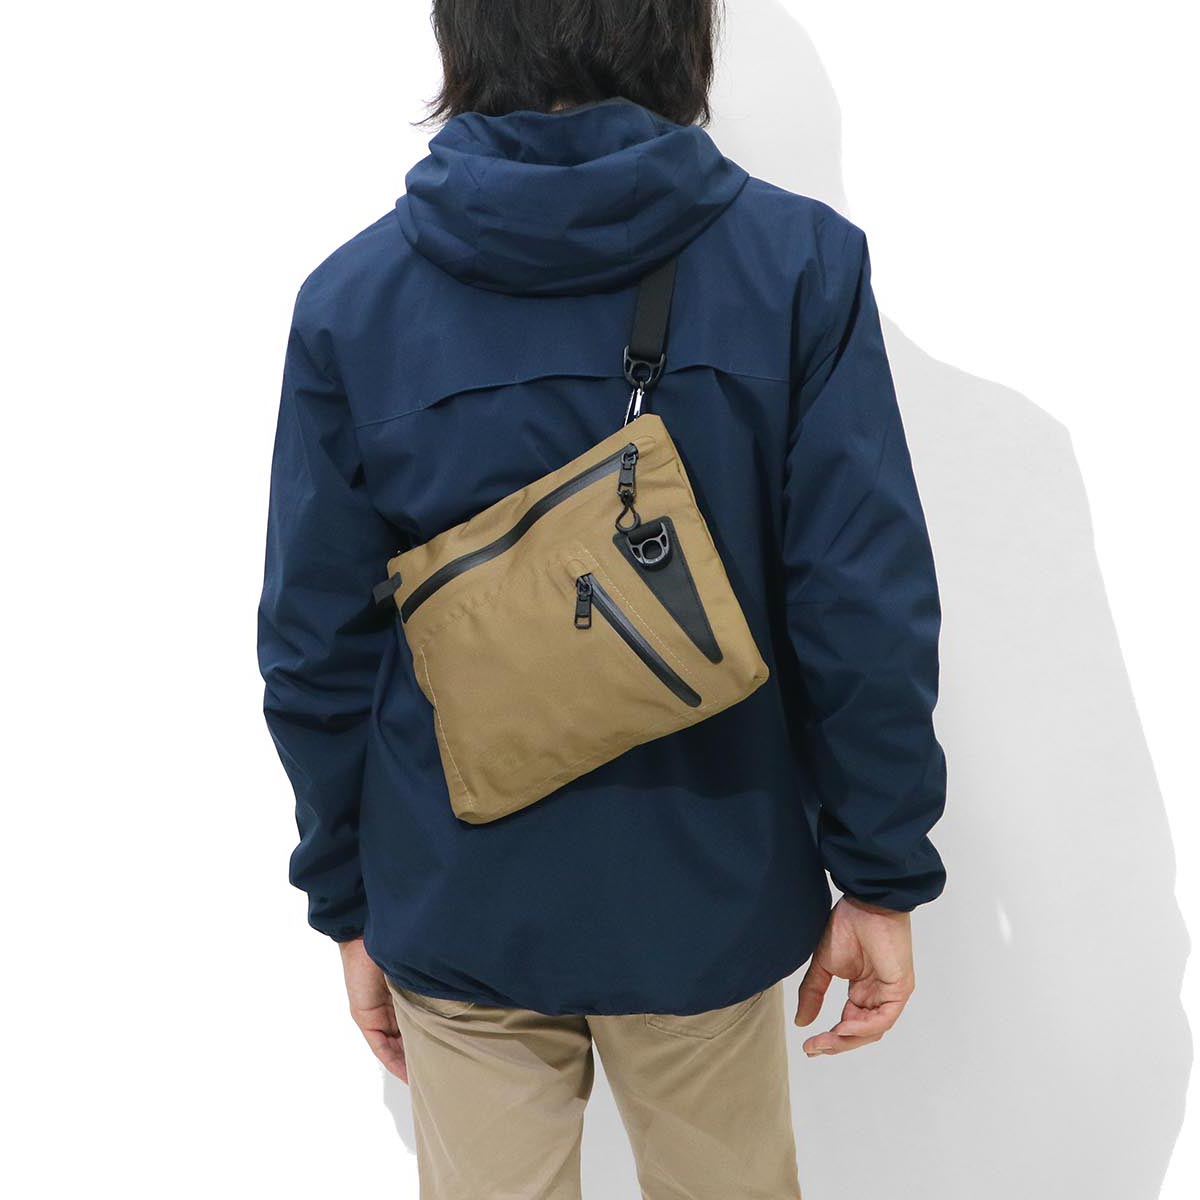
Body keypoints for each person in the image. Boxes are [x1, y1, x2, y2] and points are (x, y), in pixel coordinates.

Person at [257, 2, 947, 1196]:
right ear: (677, 33)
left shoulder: (353, 301)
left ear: (464, 36)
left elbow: (314, 642)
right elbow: (859, 606)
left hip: (456, 898)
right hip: (710, 885)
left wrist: (349, 899)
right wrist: (880, 871)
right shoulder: (797, 266)